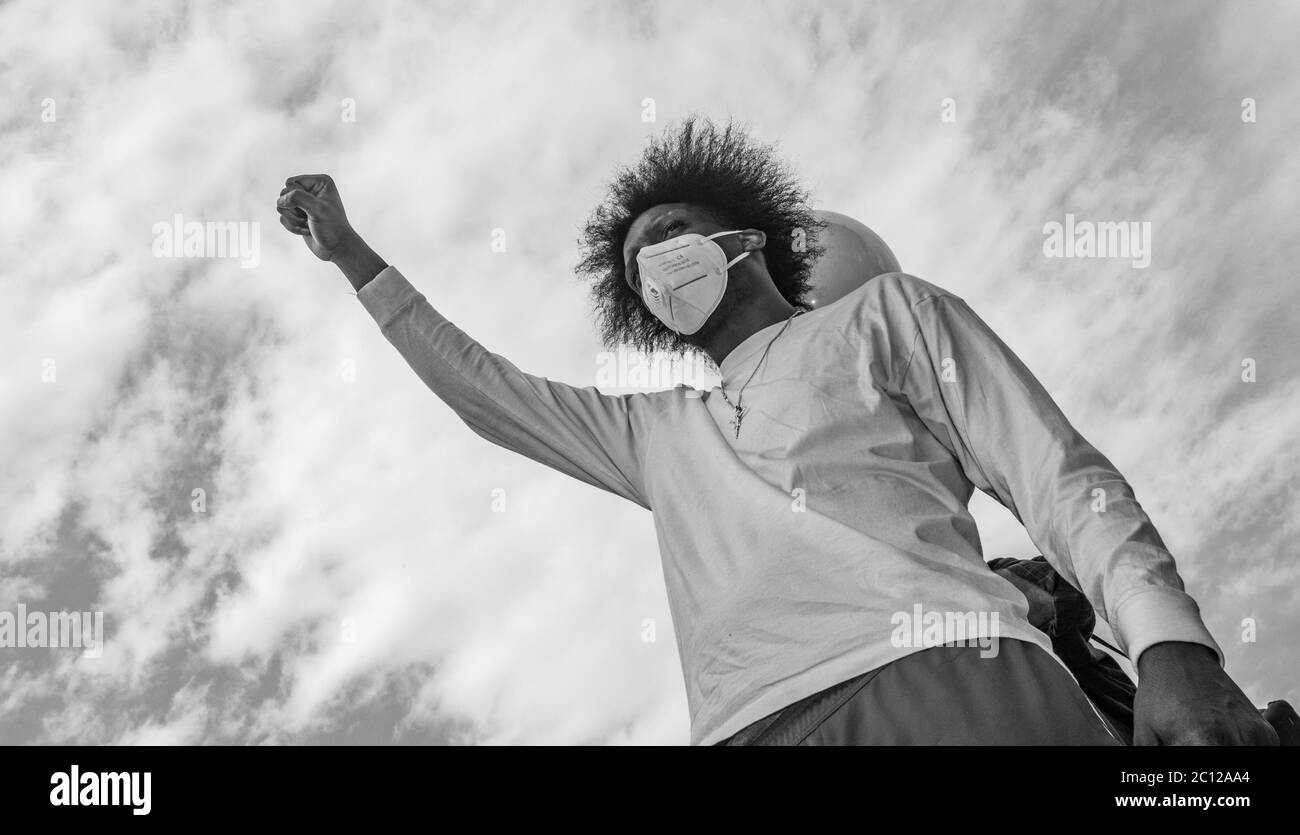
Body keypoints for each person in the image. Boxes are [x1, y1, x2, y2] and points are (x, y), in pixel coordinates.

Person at [276, 116, 1276, 746]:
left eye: (664, 235)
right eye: (631, 267)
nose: (649, 265)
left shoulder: (885, 314)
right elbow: (489, 392)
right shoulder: (656, 432)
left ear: (744, 239)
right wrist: (355, 259)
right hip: (748, 727)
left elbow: (1054, 473)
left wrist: (1167, 644)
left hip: (945, 679)